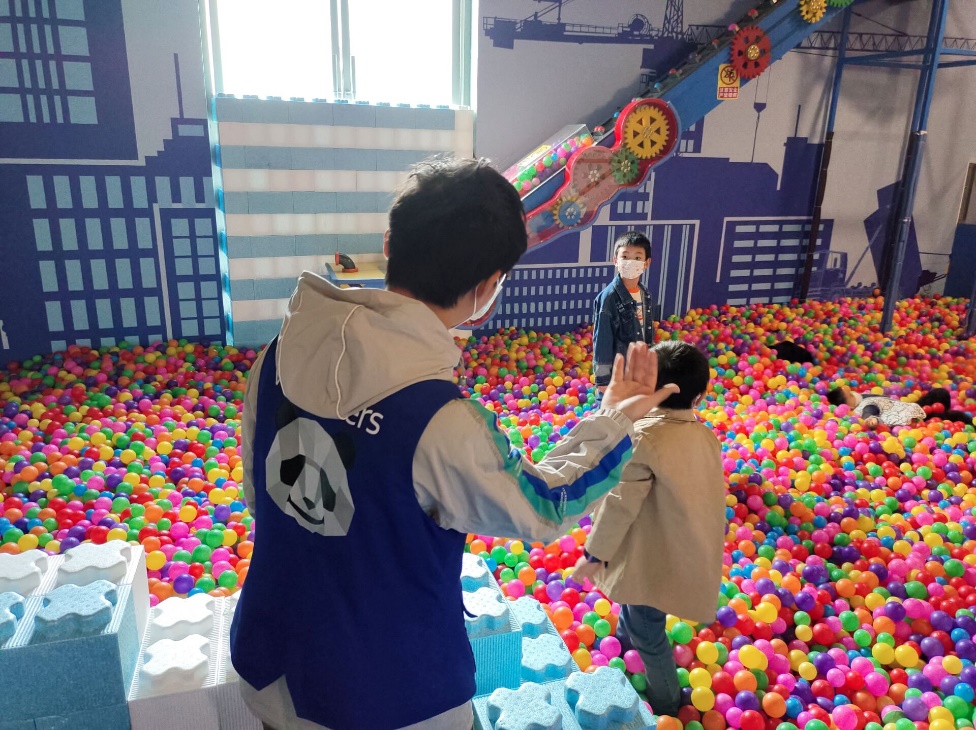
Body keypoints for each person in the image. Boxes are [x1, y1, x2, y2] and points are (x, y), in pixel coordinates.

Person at [229, 157, 679, 730]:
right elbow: (545, 506)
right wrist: (614, 419)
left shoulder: (277, 356)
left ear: (389, 245)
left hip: (272, 668)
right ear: (488, 286)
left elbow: (259, 494)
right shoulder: (441, 420)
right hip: (394, 694)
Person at [573, 340, 725, 718]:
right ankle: (624, 644)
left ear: (650, 388)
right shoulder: (706, 437)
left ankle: (668, 703)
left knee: (649, 633)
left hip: (650, 559)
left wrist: (595, 554)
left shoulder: (643, 438)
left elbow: (619, 505)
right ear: (700, 395)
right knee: (638, 612)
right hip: (684, 552)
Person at [592, 231, 658, 390]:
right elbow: (602, 340)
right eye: (625, 257)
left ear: (646, 263)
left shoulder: (645, 294)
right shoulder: (609, 298)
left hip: (640, 370)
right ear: (615, 260)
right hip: (618, 374)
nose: (631, 262)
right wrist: (603, 380)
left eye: (637, 258)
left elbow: (645, 331)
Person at [826, 385, 972, 427]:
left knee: (942, 400)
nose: (853, 393)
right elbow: (869, 410)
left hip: (909, 409)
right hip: (912, 416)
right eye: (850, 395)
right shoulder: (863, 405)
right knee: (951, 410)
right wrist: (871, 418)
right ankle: (943, 420)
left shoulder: (860, 398)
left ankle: (943, 419)